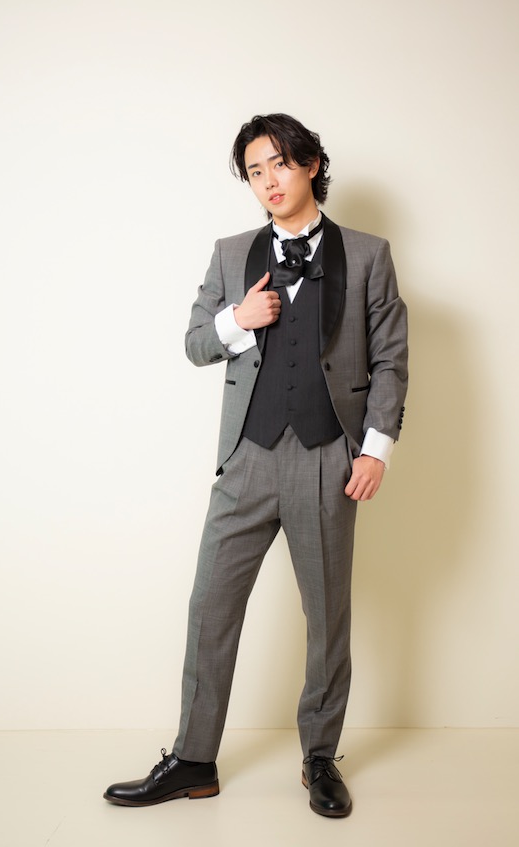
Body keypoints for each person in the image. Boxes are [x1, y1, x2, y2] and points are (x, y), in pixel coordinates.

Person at [104, 113, 408, 817]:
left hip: (329, 458)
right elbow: (194, 343)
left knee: (326, 616)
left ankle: (320, 757)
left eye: (279, 163)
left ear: (310, 164)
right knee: (209, 606)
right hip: (247, 456)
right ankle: (193, 760)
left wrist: (375, 449)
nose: (268, 180)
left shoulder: (369, 254)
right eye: (255, 170)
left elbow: (390, 359)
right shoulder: (230, 252)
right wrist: (237, 320)